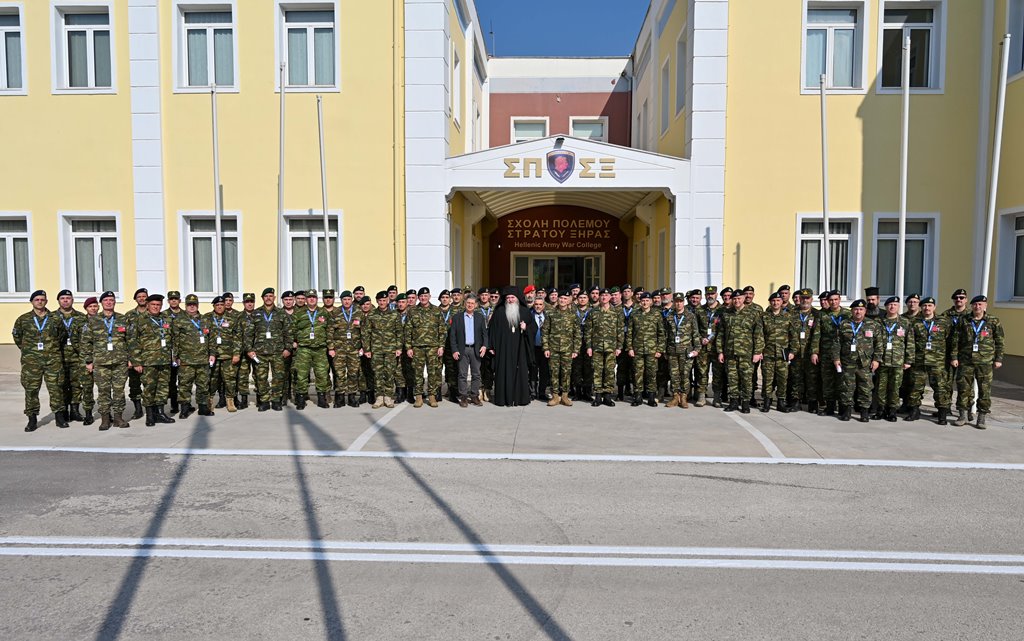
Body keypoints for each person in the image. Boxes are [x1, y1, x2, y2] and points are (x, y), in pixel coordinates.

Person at [13, 290, 68, 431]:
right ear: (32, 302)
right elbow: (18, 337)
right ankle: (32, 418)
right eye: (37, 299)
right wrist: (29, 351)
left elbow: (62, 336)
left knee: (56, 388)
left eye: (42, 299)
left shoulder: (55, 319)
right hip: (31, 361)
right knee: (31, 390)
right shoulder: (23, 319)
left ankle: (59, 417)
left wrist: (52, 350)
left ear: (46, 301)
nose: (39, 301)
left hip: (52, 360)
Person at [950, 295, 1004, 429]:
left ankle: (981, 417)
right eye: (975, 304)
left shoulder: (993, 321)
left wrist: (998, 359)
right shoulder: (964, 320)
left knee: (984, 390)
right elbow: (955, 340)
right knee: (963, 388)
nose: (977, 307)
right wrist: (954, 357)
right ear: (972, 306)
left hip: (985, 362)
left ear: (985, 306)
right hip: (966, 360)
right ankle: (962, 415)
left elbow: (1000, 341)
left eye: (980, 304)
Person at [82, 291, 130, 430]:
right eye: (106, 300)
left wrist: (131, 359)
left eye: (111, 300)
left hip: (120, 362)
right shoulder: (93, 321)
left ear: (115, 302)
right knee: (103, 391)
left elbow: (131, 340)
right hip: (101, 363)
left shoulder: (123, 319)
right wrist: (88, 361)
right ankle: (104, 419)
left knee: (119, 390)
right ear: (101, 303)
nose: (109, 302)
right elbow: (86, 342)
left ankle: (118, 418)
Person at [129, 293, 176, 426]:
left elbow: (173, 339)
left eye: (158, 305)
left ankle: (160, 413)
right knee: (149, 388)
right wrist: (136, 362)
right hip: (148, 361)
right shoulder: (139, 320)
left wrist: (174, 356)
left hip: (164, 360)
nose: (156, 307)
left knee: (162, 388)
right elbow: (133, 342)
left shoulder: (166, 319)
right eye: (153, 305)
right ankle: (150, 415)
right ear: (148, 305)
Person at [906, 297, 953, 424]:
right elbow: (910, 343)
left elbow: (951, 341)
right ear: (921, 307)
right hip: (919, 361)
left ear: (934, 307)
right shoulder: (915, 322)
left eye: (930, 306)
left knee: (940, 388)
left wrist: (952, 358)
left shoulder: (943, 322)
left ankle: (942, 414)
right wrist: (909, 360)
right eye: (925, 306)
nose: (927, 308)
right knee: (915, 387)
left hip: (937, 362)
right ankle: (914, 411)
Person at [716, 290, 764, 413]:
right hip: (730, 352)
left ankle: (746, 403)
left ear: (743, 298)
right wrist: (720, 351)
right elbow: (721, 334)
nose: (737, 301)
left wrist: (757, 352)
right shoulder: (726, 314)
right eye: (735, 299)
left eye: (739, 298)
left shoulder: (752, 314)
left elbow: (758, 335)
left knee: (746, 379)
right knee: (732, 379)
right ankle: (733, 402)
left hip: (747, 353)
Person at [246, 288, 292, 412]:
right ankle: (264, 401)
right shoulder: (255, 313)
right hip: (260, 352)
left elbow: (288, 332)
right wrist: (249, 349)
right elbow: (249, 333)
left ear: (274, 298)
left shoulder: (281, 313)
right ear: (262, 298)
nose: (268, 298)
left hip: (278, 351)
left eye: (271, 296)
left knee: (278, 377)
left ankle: (276, 400)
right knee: (261, 378)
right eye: (266, 296)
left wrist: (288, 348)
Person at [832, 299, 877, 423]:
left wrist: (877, 360)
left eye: (861, 309)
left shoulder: (872, 325)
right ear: (852, 311)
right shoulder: (844, 324)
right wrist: (836, 358)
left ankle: (864, 413)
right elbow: (837, 343)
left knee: (865, 388)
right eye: (856, 309)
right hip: (848, 362)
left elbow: (879, 344)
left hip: (865, 363)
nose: (858, 311)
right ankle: (847, 412)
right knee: (847, 387)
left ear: (865, 311)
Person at [489, 287, 535, 407]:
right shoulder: (499, 311)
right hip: (502, 349)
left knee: (521, 373)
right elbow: (492, 330)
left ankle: (520, 398)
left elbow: (533, 328)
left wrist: (526, 328)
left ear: (518, 298)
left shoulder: (525, 311)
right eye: (507, 297)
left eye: (512, 297)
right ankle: (503, 399)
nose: (510, 300)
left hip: (520, 349)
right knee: (503, 372)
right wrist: (491, 346)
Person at [171, 294, 214, 419]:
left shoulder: (205, 320)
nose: (191, 307)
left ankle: (203, 407)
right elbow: (175, 340)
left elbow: (211, 339)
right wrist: (176, 356)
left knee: (203, 384)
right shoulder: (179, 320)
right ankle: (184, 408)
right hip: (186, 359)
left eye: (194, 304)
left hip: (203, 359)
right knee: (184, 385)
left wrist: (212, 354)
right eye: (189, 304)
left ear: (197, 305)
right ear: (186, 305)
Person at [873, 296, 915, 421]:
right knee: (881, 387)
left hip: (898, 361)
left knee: (895, 388)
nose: (892, 307)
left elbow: (910, 342)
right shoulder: (878, 322)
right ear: (886, 307)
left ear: (898, 307)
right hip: (882, 360)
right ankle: (881, 410)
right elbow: (873, 342)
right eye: (890, 305)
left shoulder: (905, 322)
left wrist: (908, 360)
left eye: (895, 305)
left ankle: (892, 411)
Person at [405, 287, 446, 408]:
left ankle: (432, 395)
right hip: (417, 347)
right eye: (421, 296)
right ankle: (418, 396)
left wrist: (441, 346)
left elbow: (442, 330)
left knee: (432, 372)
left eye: (425, 296)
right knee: (417, 373)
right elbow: (408, 330)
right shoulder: (412, 311)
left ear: (429, 296)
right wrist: (408, 347)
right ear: (418, 297)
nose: (423, 298)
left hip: (433, 347)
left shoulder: (436, 311)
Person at [291, 289, 332, 409]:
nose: (311, 299)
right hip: (304, 348)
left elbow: (329, 331)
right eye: (309, 297)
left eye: (314, 297)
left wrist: (330, 346)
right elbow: (292, 329)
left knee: (321, 374)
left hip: (320, 349)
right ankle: (301, 399)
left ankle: (321, 399)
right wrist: (294, 341)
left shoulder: (324, 312)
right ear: (306, 299)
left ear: (317, 299)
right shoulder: (298, 313)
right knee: (302, 375)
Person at [630, 291, 671, 407]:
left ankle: (651, 397)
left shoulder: (656, 314)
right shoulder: (635, 314)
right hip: (637, 349)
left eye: (647, 300)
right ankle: (637, 397)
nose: (645, 302)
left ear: (651, 302)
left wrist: (660, 349)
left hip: (652, 350)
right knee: (638, 373)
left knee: (651, 373)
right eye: (643, 300)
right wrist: (630, 348)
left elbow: (661, 333)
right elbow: (629, 333)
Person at [586, 288, 624, 407]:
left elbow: (620, 331)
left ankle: (607, 395)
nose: (603, 297)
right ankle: (597, 396)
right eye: (602, 295)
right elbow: (588, 331)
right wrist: (589, 346)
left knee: (609, 371)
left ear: (610, 298)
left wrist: (619, 346)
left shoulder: (617, 312)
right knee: (597, 371)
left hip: (611, 347)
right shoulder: (593, 312)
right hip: (596, 347)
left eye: (606, 295)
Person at [542, 290, 580, 407]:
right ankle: (555, 396)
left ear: (569, 300)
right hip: (553, 349)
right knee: (554, 372)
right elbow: (545, 332)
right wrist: (546, 348)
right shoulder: (551, 314)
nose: (562, 300)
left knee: (566, 372)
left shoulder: (573, 315)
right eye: (561, 298)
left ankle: (565, 396)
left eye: (565, 298)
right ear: (558, 299)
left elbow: (577, 334)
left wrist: (576, 350)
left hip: (568, 349)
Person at [365, 290, 402, 409]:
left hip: (391, 349)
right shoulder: (371, 315)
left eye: (384, 300)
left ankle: (388, 397)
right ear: (376, 301)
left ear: (387, 301)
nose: (382, 302)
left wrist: (398, 347)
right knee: (377, 373)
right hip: (376, 349)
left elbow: (399, 332)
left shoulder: (394, 314)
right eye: (380, 301)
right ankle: (379, 397)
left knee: (389, 373)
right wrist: (367, 349)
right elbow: (367, 333)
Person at [55, 289, 87, 423]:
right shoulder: (51, 317)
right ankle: (62, 412)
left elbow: (86, 337)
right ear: (58, 301)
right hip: (57, 358)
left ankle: (74, 410)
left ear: (72, 300)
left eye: (68, 298)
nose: (65, 300)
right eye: (62, 298)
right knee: (59, 385)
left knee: (76, 385)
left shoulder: (81, 317)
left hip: (76, 357)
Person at [206, 295, 243, 412]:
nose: (220, 307)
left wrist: (237, 354)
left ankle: (230, 401)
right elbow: (203, 337)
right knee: (211, 379)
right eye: (217, 305)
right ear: (214, 306)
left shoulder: (232, 318)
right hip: (212, 356)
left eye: (222, 305)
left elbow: (238, 337)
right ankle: (209, 401)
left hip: (228, 355)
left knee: (230, 379)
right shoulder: (206, 318)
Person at [450, 293, 488, 406]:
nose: (470, 305)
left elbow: (484, 334)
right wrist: (454, 350)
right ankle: (463, 397)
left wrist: (484, 346)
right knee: (462, 374)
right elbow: (452, 336)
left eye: (472, 303)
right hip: (462, 350)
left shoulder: (480, 317)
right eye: (468, 303)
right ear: (464, 304)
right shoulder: (457, 317)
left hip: (476, 349)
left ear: (476, 305)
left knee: (476, 374)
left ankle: (474, 396)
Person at [663, 292, 699, 408]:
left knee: (685, 375)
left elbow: (695, 334)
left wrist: (697, 349)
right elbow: (665, 334)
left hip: (686, 352)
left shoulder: (690, 316)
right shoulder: (669, 316)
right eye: (676, 301)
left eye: (680, 301)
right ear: (673, 302)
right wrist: (664, 350)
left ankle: (684, 397)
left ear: (684, 302)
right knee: (674, 375)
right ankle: (675, 397)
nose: (678, 304)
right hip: (672, 351)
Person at [787, 289, 820, 413]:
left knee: (812, 378)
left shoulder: (816, 314)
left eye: (807, 298)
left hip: (809, 352)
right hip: (796, 352)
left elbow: (817, 335)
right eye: (803, 298)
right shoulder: (792, 313)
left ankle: (812, 404)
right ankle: (796, 402)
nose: (805, 300)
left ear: (811, 299)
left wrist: (814, 352)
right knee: (796, 378)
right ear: (799, 299)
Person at [329, 290, 364, 408]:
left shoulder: (358, 312)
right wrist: (331, 348)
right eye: (344, 299)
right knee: (339, 373)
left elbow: (363, 331)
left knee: (353, 373)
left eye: (349, 299)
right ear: (341, 300)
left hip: (354, 349)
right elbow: (330, 331)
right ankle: (340, 397)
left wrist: (363, 347)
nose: (347, 301)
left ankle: (352, 396)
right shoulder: (335, 312)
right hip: (339, 349)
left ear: (351, 299)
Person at [760, 292, 794, 412]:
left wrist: (793, 351)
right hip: (768, 354)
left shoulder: (788, 317)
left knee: (782, 379)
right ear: (770, 302)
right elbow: (760, 335)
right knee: (767, 379)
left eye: (778, 301)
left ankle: (781, 402)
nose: (775, 303)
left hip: (782, 354)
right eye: (773, 301)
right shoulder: (764, 316)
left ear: (781, 302)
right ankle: (767, 402)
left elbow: (793, 336)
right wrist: (760, 351)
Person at [124, 287, 149, 419]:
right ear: (135, 299)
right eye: (139, 296)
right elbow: (124, 338)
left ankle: (151, 409)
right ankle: (138, 409)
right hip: (133, 356)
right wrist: (129, 358)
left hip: (150, 355)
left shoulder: (154, 314)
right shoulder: (129, 315)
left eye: (144, 296)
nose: (142, 298)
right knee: (134, 384)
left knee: (150, 384)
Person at [162, 291, 184, 414]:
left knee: (184, 381)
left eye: (176, 299)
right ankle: (174, 405)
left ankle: (185, 404)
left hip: (184, 352)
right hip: (169, 353)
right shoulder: (163, 315)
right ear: (168, 301)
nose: (174, 301)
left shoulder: (185, 314)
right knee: (171, 381)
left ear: (179, 300)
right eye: (171, 299)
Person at [78, 296, 99, 425]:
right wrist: (86, 359)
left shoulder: (103, 320)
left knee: (104, 388)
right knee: (87, 387)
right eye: (90, 306)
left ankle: (106, 413)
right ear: (86, 308)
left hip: (102, 359)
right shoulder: (80, 322)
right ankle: (88, 414)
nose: (93, 308)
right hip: (85, 360)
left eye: (95, 306)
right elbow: (76, 340)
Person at [529, 296, 551, 400]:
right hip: (533, 347)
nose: (538, 306)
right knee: (533, 370)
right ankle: (533, 392)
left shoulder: (549, 316)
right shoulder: (529, 315)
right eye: (536, 304)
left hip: (545, 348)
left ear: (544, 306)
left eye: (540, 304)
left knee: (544, 371)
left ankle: (542, 392)